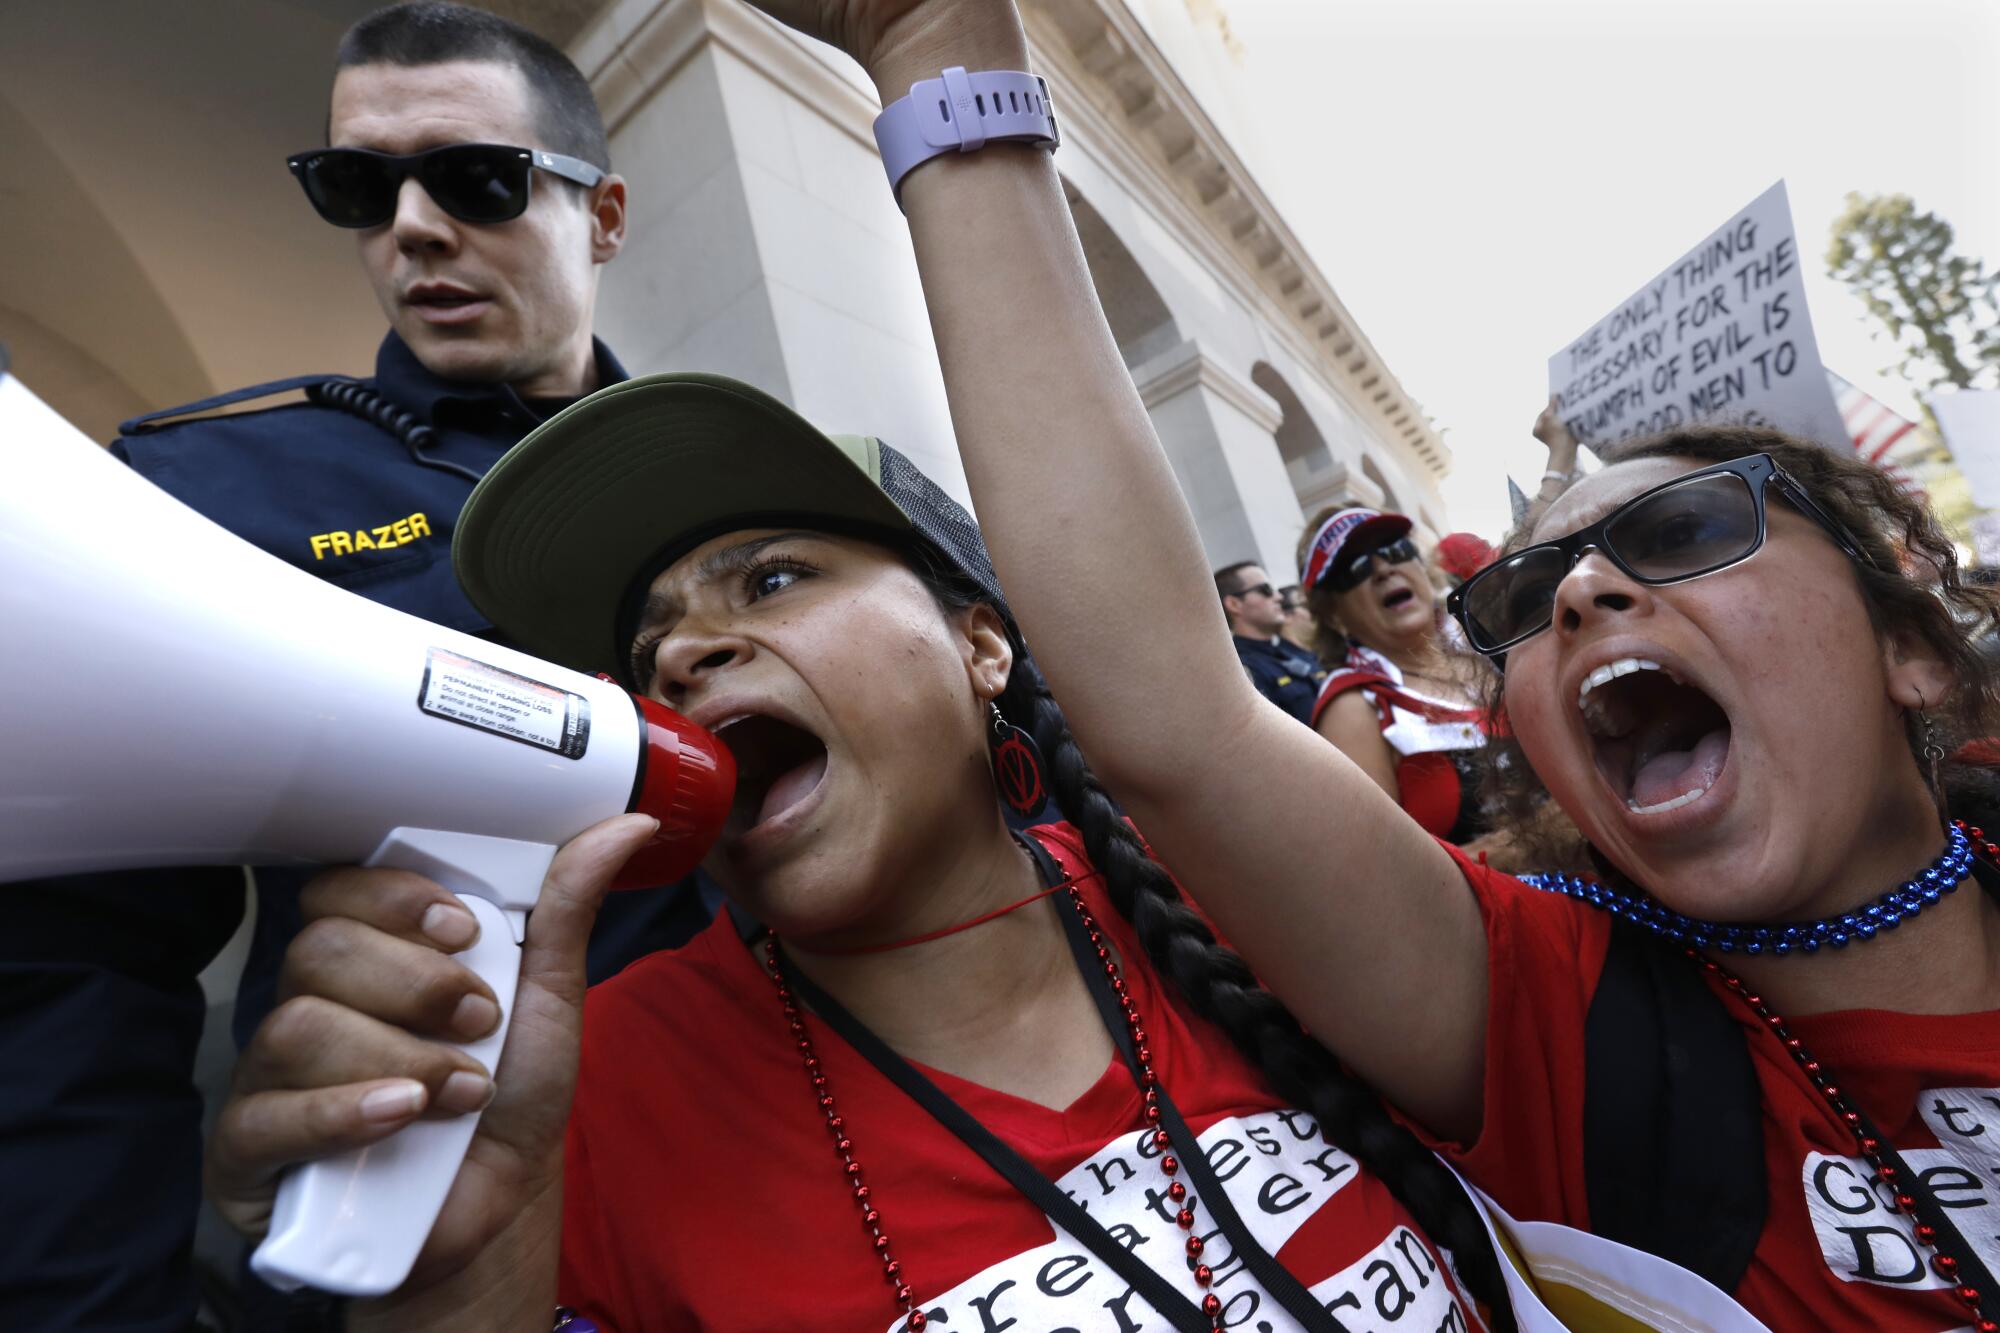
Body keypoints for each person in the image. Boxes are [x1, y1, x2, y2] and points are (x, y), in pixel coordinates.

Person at [819, 43, 2000, 1323]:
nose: (1581, 592)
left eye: (1680, 533)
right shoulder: (1555, 1013)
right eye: (1521, 597)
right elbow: (1174, 722)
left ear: (1913, 647)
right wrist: (942, 61)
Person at [209, 379, 1520, 1331]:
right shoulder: (581, 1093)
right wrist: (462, 1300)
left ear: (981, 645)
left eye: (770, 579)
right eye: (645, 648)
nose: (678, 656)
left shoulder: (1249, 889)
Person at [0, 7, 710, 1327]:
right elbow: (71, 979)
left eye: (478, 179)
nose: (414, 227)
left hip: (769, 1182)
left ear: (602, 216)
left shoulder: (728, 482)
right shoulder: (213, 486)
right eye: (360, 187)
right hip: (428, 1229)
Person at [1295, 508, 1494, 844]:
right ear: (1332, 614)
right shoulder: (1355, 708)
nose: (1384, 570)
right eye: (1355, 569)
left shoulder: (1488, 644)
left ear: (1424, 568)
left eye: (1395, 550)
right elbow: (1382, 867)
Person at [1215, 561, 1325, 724]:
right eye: (1265, 590)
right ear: (1234, 604)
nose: (1278, 597)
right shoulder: (1239, 670)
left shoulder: (1293, 652)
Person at [1277, 583, 1321, 659]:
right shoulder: (1282, 661)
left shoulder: (1323, 654)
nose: (1314, 610)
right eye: (1306, 605)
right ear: (1285, 616)